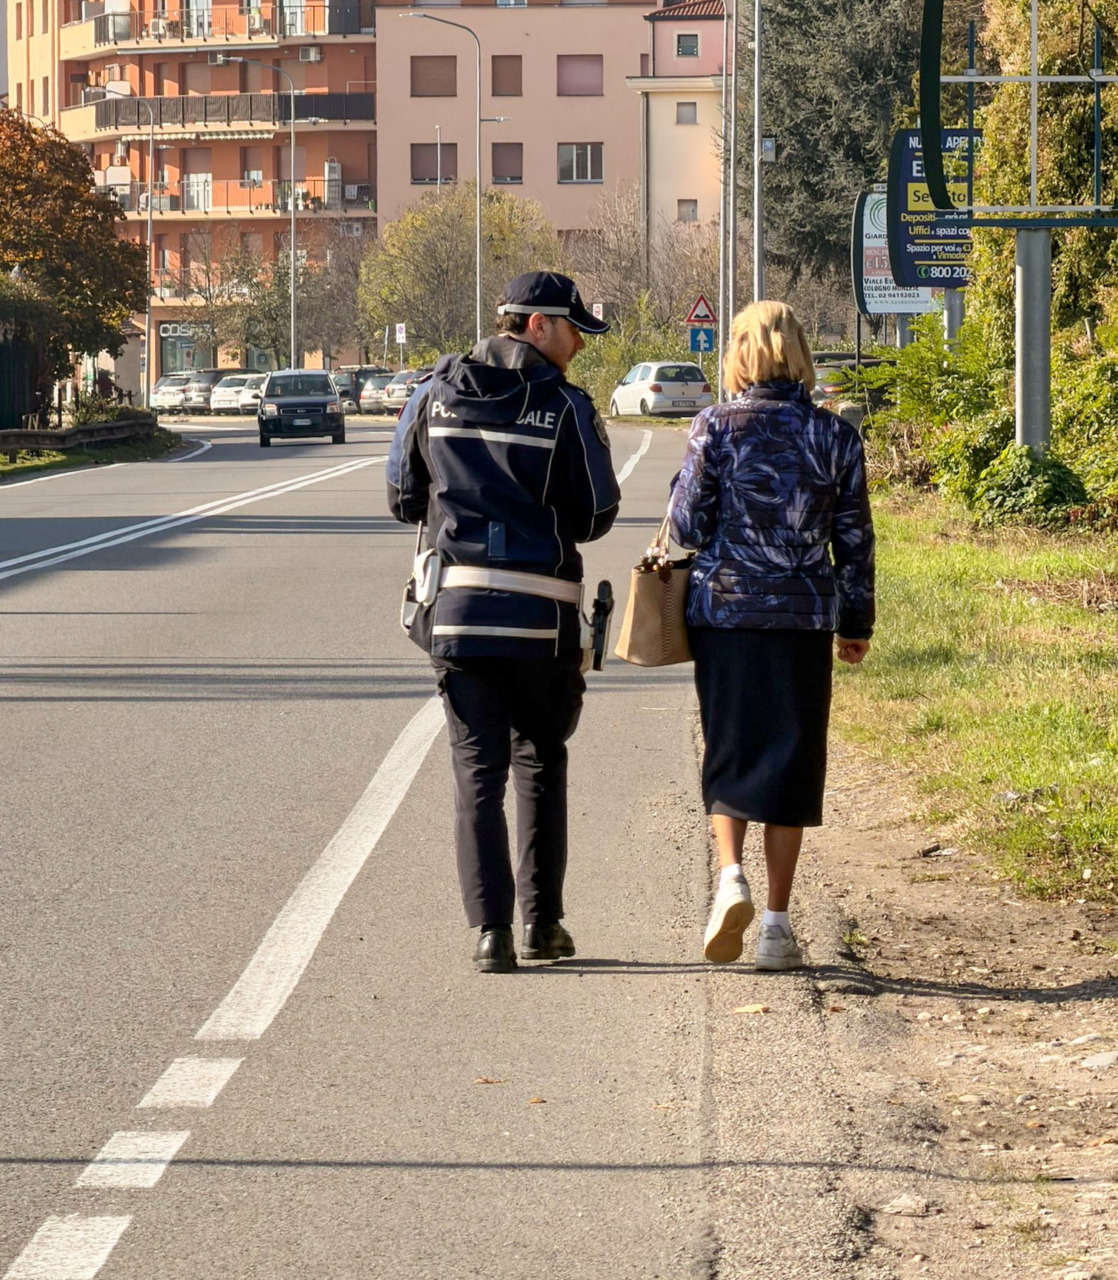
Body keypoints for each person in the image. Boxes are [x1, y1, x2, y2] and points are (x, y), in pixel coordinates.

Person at [387, 271, 620, 973]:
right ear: (536, 325)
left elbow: (402, 497)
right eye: (574, 329)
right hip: (541, 616)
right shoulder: (566, 407)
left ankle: (489, 934)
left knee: (475, 773)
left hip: (456, 613)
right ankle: (541, 926)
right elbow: (597, 514)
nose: (580, 343)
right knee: (541, 763)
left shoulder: (433, 393)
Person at [668, 301, 875, 970]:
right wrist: (856, 621)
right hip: (803, 617)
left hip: (725, 614)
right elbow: (854, 540)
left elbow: (688, 527)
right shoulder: (836, 437)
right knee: (791, 760)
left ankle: (731, 877)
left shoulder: (714, 427)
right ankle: (778, 929)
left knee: (729, 747)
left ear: (739, 354)